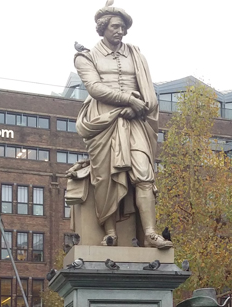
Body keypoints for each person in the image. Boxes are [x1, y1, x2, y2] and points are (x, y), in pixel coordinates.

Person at [67, 1, 171, 249]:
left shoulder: (137, 55)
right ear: (103, 27)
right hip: (104, 123)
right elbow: (95, 88)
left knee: (144, 175)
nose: (121, 31)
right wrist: (127, 100)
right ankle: (110, 232)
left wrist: (140, 105)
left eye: (123, 27)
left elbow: (149, 92)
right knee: (105, 178)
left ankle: (150, 233)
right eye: (116, 26)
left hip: (135, 122)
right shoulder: (86, 57)